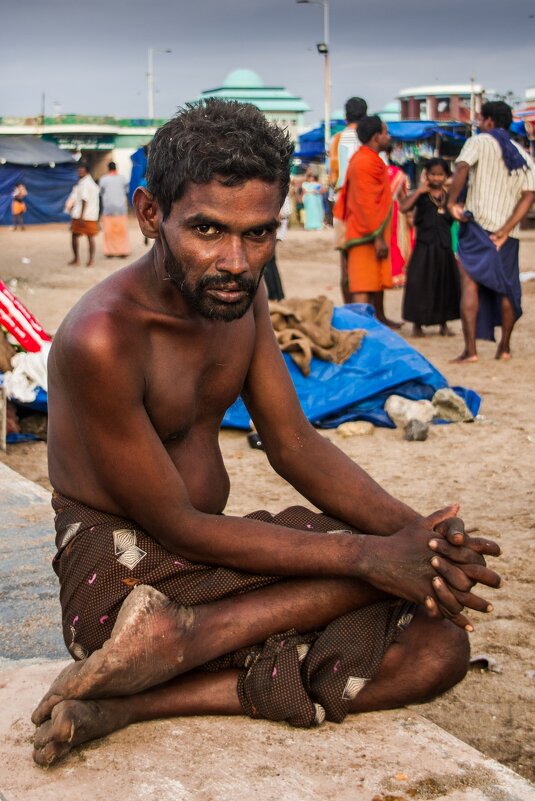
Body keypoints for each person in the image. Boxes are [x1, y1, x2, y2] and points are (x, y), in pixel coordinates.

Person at [32, 99, 502, 767]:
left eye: (258, 234)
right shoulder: (103, 338)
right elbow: (179, 524)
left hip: (213, 575)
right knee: (371, 567)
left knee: (436, 646)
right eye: (206, 229)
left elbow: (294, 445)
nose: (234, 259)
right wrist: (370, 557)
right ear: (149, 215)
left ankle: (141, 692)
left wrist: (418, 537)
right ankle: (165, 640)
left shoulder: (239, 296)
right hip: (121, 590)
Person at [447, 101, 535, 361]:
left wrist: (452, 203)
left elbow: (462, 166)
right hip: (508, 235)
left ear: (487, 121)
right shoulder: (522, 154)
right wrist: (507, 229)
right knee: (507, 289)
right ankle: (504, 348)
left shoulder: (479, 142)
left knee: (470, 285)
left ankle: (471, 350)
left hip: (477, 225)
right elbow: (529, 195)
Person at [334, 116, 401, 328]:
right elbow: (366, 204)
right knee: (362, 285)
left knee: (370, 283)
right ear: (376, 137)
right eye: (385, 132)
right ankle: (359, 329)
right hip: (365, 235)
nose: (388, 137)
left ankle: (369, 325)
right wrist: (378, 237)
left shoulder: (369, 159)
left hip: (366, 233)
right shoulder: (364, 162)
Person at [400, 159, 461, 337]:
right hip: (424, 247)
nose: (436, 178)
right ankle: (417, 325)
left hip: (444, 247)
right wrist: (419, 190)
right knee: (419, 284)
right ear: (426, 175)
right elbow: (404, 207)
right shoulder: (421, 196)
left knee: (445, 284)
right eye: (433, 174)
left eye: (440, 174)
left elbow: (456, 215)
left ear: (446, 176)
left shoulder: (448, 197)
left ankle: (443, 324)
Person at [330, 96, 368, 302]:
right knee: (366, 263)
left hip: (341, 206)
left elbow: (333, 176)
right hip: (365, 207)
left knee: (345, 266)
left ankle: (348, 309)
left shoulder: (335, 141)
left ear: (346, 116)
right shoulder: (369, 141)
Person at [65, 162, 100, 267]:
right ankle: (89, 260)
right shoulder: (88, 183)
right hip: (91, 215)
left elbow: (85, 200)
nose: (79, 171)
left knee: (77, 236)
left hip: (83, 215)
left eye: (81, 169)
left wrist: (81, 216)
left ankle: (78, 259)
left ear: (86, 171)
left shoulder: (85, 184)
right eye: (78, 169)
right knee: (88, 237)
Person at [385, 148, 411, 287]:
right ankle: (395, 274)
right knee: (392, 239)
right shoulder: (397, 173)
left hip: (376, 209)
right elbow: (403, 197)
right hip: (392, 208)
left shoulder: (372, 171)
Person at [99, 161, 131, 258]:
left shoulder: (103, 179)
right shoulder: (123, 179)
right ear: (116, 168)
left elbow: (101, 194)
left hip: (108, 210)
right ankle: (123, 251)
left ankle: (109, 252)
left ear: (108, 168)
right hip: (121, 209)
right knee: (122, 231)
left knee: (109, 232)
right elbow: (127, 192)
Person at [263, 193, 291, 301]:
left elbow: (283, 212)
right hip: (273, 226)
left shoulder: (274, 186)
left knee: (267, 262)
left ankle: (274, 295)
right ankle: (277, 294)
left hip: (272, 226)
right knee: (271, 262)